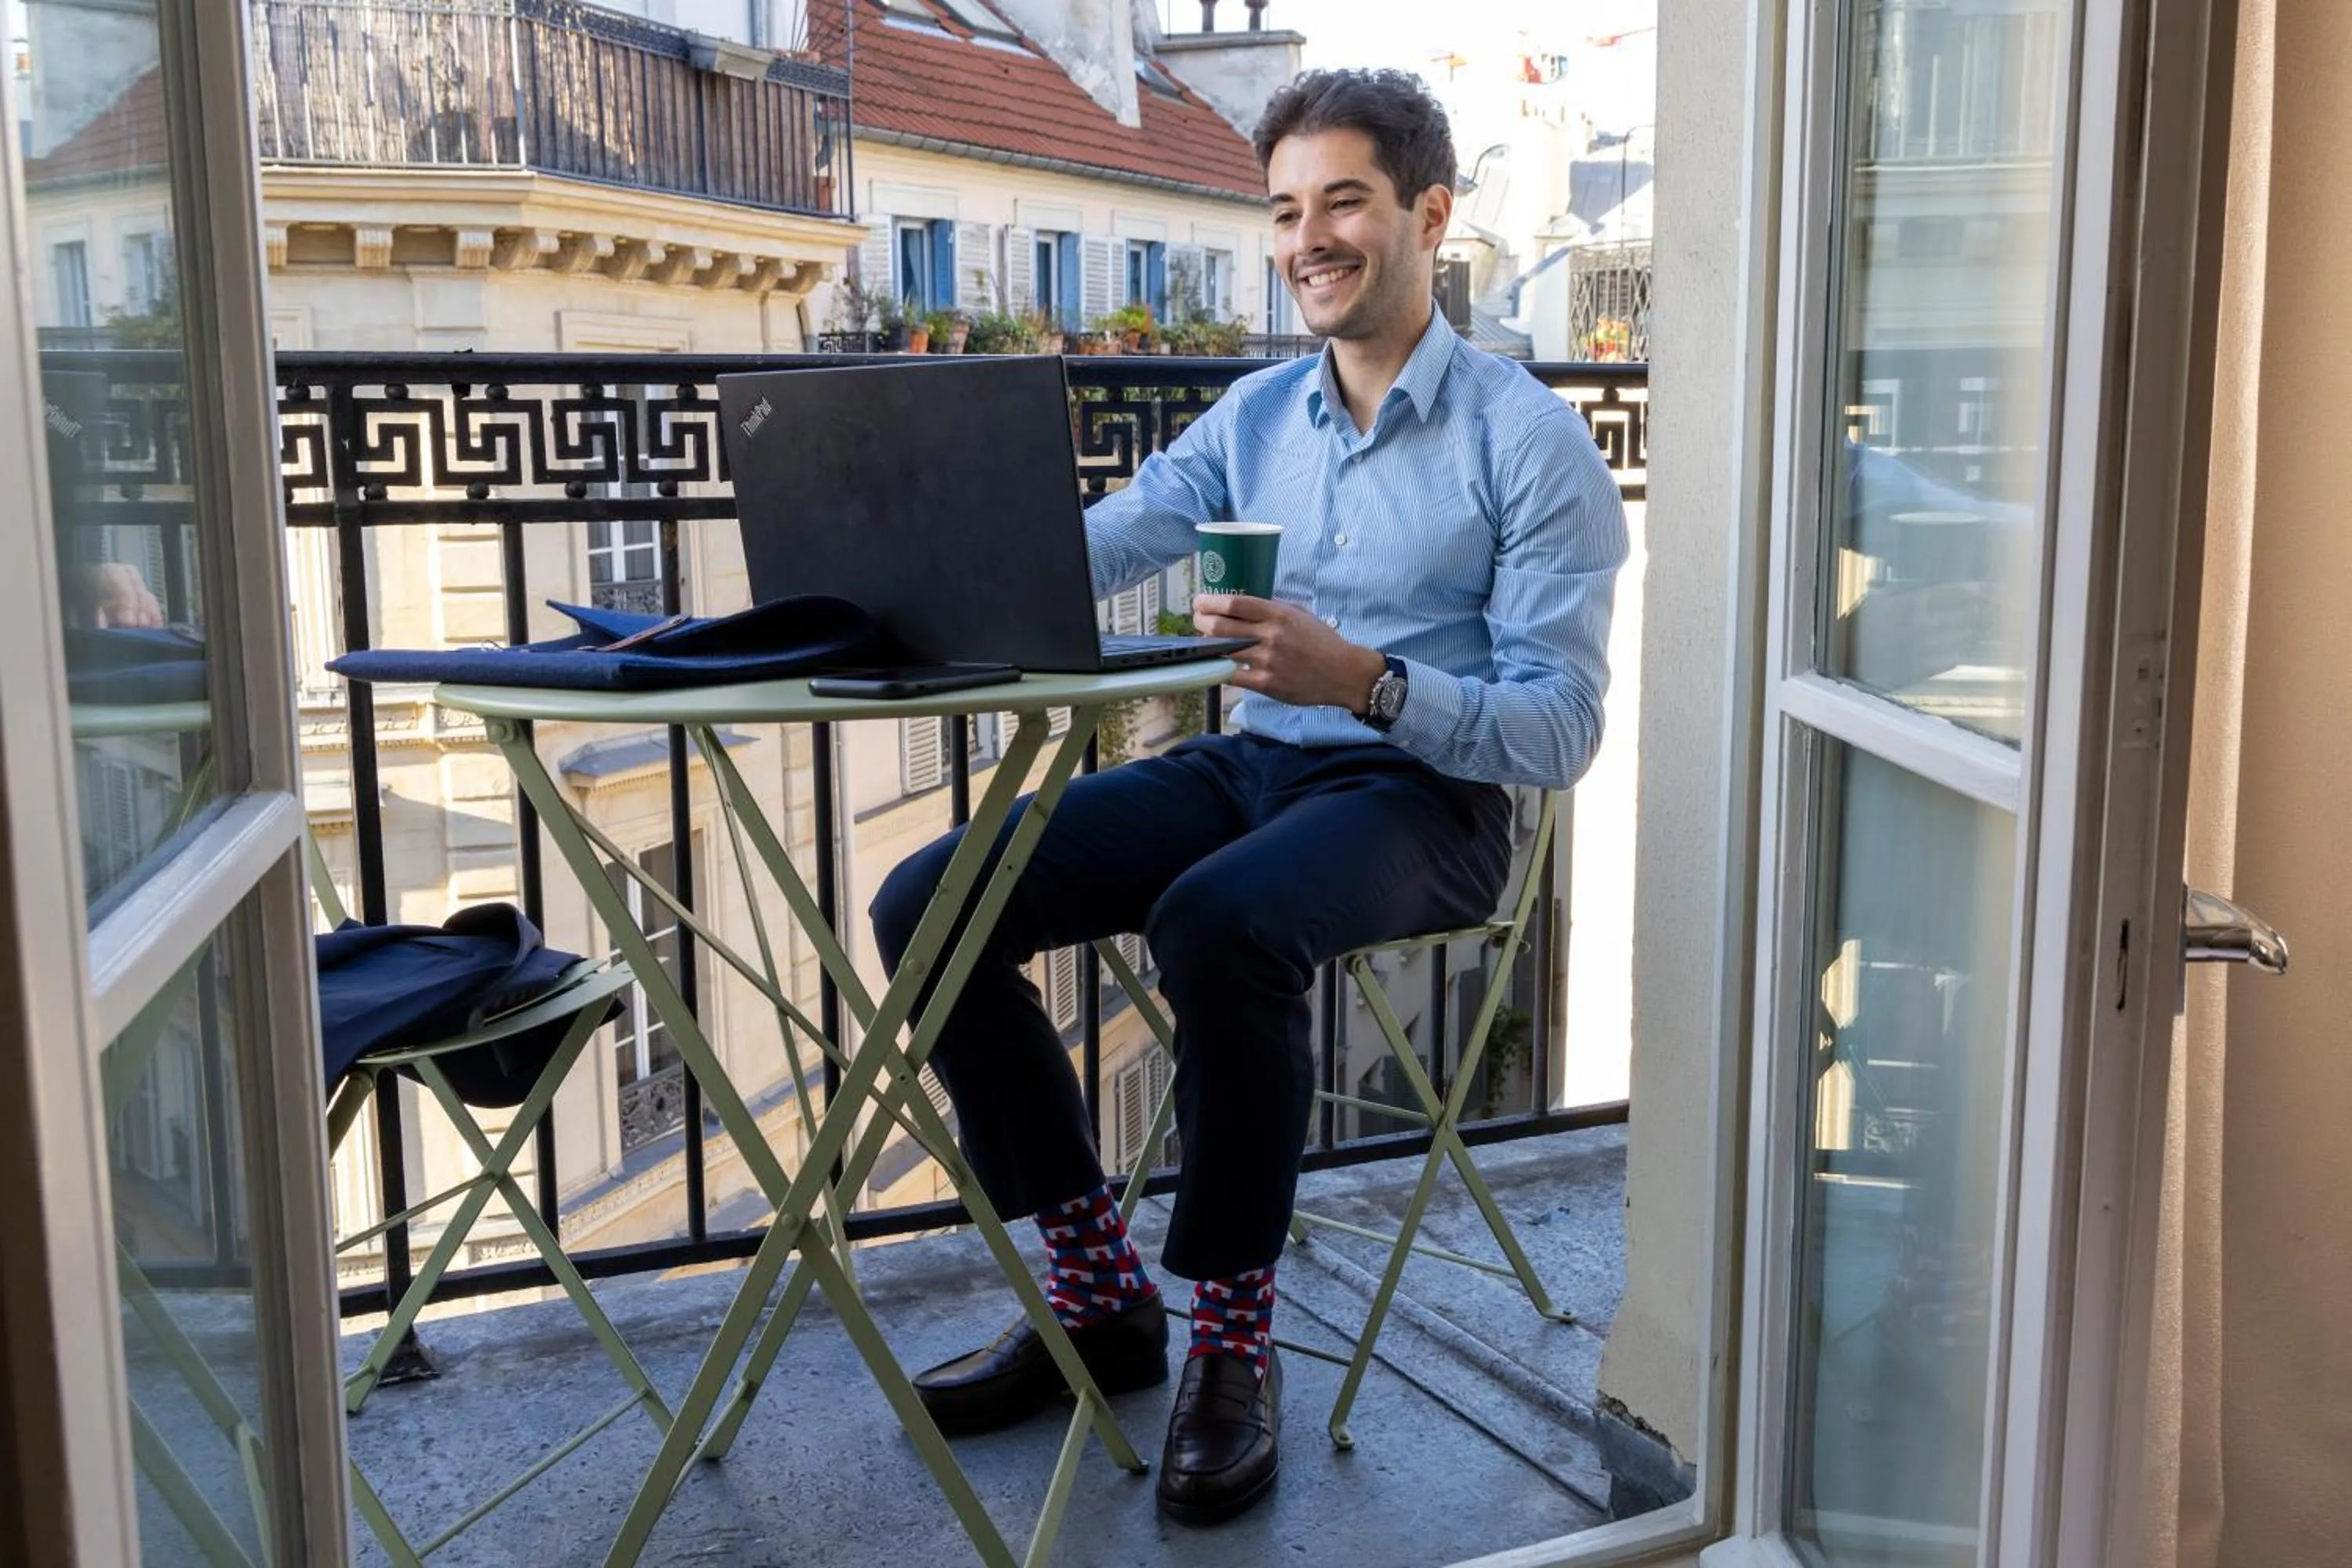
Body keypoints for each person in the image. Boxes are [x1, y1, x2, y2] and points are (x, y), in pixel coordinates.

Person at [870, 67, 1628, 1526]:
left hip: (1426, 793)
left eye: (1343, 201)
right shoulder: (1255, 417)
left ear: (1429, 213)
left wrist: (1373, 683)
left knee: (1218, 925)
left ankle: (1230, 1331)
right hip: (1255, 762)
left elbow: (1561, 729)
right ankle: (1100, 1294)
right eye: (1285, 210)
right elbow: (1097, 548)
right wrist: (894, 566)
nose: (1307, 240)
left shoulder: (1524, 442)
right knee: (930, 902)